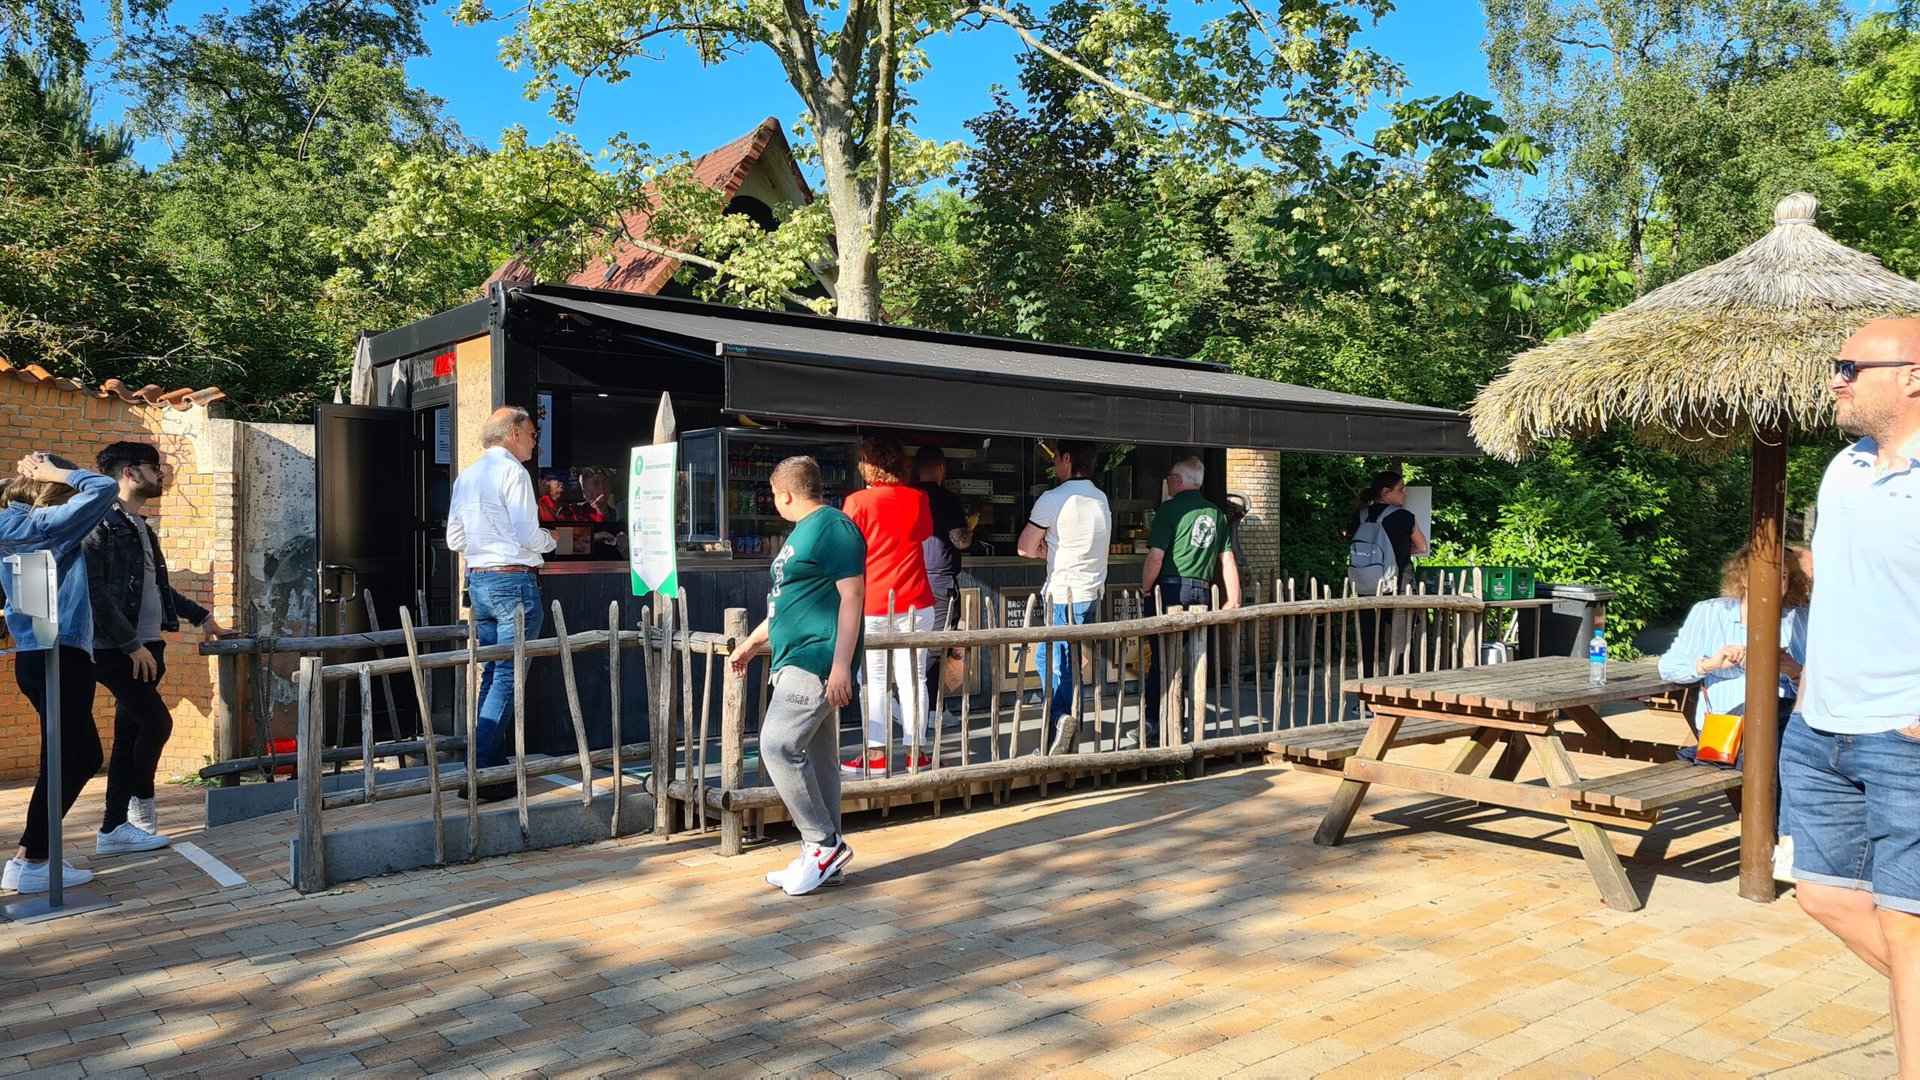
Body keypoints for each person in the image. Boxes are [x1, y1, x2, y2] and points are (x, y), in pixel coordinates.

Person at [1781, 316, 1920, 1076]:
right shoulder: (1844, 467)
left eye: (1849, 366)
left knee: (1908, 928)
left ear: (1912, 376)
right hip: (1818, 731)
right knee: (1824, 897)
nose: (1834, 378)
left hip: (1904, 734)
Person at [729, 456, 864, 896]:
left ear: (784, 493)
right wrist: (751, 644)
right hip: (795, 655)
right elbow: (787, 602)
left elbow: (853, 597)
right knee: (820, 758)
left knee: (778, 743)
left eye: (773, 495)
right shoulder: (805, 533)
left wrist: (841, 664)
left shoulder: (833, 528)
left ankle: (821, 844)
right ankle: (827, 859)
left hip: (816, 657)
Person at [85, 441, 228, 853]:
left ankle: (117, 827)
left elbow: (159, 588)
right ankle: (135, 807)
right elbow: (96, 594)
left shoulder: (139, 526)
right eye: (155, 467)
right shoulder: (101, 523)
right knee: (156, 724)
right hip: (118, 649)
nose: (162, 474)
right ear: (129, 473)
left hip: (148, 645)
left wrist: (203, 618)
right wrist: (130, 645)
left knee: (128, 734)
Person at [1, 453, 120, 894]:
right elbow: (104, 489)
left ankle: (30, 857)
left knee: (79, 754)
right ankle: (32, 859)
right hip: (60, 654)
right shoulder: (47, 525)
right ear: (51, 496)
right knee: (68, 756)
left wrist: (24, 476)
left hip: (37, 653)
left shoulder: (12, 525)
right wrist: (53, 472)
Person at [1658, 541, 1809, 879]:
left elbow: (1824, 682)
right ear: (1743, 577)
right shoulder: (1711, 613)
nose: (1776, 585)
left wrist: (1795, 670)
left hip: (1784, 719)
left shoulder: (1798, 620)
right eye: (1767, 576)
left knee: (1797, 742)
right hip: (1729, 728)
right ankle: (1787, 843)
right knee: (1789, 750)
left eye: (1783, 577)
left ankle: (1789, 844)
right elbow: (1669, 667)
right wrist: (1711, 662)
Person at [445, 407, 555, 802]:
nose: (533, 440)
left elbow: (455, 539)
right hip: (513, 582)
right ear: (512, 434)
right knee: (506, 676)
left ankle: (485, 766)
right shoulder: (513, 472)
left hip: (480, 581)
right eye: (530, 433)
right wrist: (550, 542)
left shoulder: (468, 475)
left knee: (493, 674)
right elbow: (528, 534)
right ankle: (483, 772)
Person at [840, 438, 936, 775]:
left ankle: (877, 755)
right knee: (914, 680)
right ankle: (916, 752)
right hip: (916, 599)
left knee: (874, 681)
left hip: (873, 600)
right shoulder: (919, 498)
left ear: (867, 465)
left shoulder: (857, 501)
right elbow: (923, 534)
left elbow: (847, 548)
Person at [1136, 457, 1242, 748]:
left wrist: (1146, 589)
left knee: (1160, 657)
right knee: (1194, 657)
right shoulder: (1216, 513)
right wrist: (1233, 598)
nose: (1168, 481)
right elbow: (1227, 559)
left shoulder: (1168, 510)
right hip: (1202, 593)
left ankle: (1154, 720)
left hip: (1170, 590)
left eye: (1170, 477)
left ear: (1180, 480)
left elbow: (1155, 557)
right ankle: (1188, 719)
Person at [1017, 439, 1111, 754]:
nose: (1054, 464)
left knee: (1061, 663)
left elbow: (1025, 547)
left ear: (1067, 458)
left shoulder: (1053, 499)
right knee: (1054, 658)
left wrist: (1047, 547)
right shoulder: (1100, 499)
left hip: (1063, 595)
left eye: (1056, 458)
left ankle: (1059, 722)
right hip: (1092, 594)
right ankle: (1063, 722)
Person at [1346, 470, 1429, 679]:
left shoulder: (1359, 516)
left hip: (1366, 585)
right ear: (1386, 492)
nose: (1405, 494)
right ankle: (1396, 692)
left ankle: (1366, 695)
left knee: (1369, 641)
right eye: (1401, 490)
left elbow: (1350, 542)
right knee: (1399, 641)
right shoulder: (1404, 517)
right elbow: (1422, 547)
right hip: (1400, 584)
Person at [914, 446, 973, 723]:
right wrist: (969, 531)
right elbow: (960, 540)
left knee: (917, 645)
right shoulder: (947, 499)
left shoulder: (909, 497)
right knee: (936, 647)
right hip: (939, 582)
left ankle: (927, 707)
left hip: (910, 579)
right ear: (941, 468)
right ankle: (926, 710)